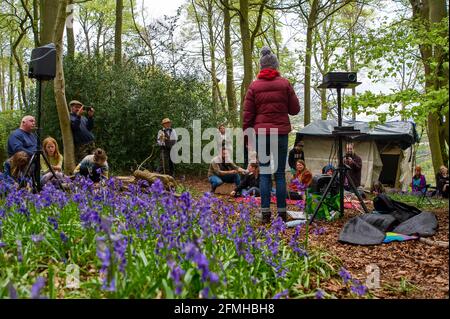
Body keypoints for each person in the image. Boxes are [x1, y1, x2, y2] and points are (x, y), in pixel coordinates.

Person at [243, 46, 300, 223]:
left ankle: (266, 213)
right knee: (280, 174)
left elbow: (247, 115)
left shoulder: (254, 86)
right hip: (281, 133)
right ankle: (282, 213)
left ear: (261, 67)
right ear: (276, 66)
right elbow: (295, 109)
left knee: (265, 173)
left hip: (262, 134)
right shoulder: (285, 83)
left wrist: (247, 136)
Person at [69, 100, 96, 164]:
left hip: (91, 144)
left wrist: (90, 117)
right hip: (81, 146)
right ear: (71, 107)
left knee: (95, 163)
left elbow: (90, 128)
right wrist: (78, 116)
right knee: (85, 165)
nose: (78, 109)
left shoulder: (83, 117)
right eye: (76, 107)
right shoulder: (69, 117)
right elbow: (75, 128)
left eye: (80, 107)